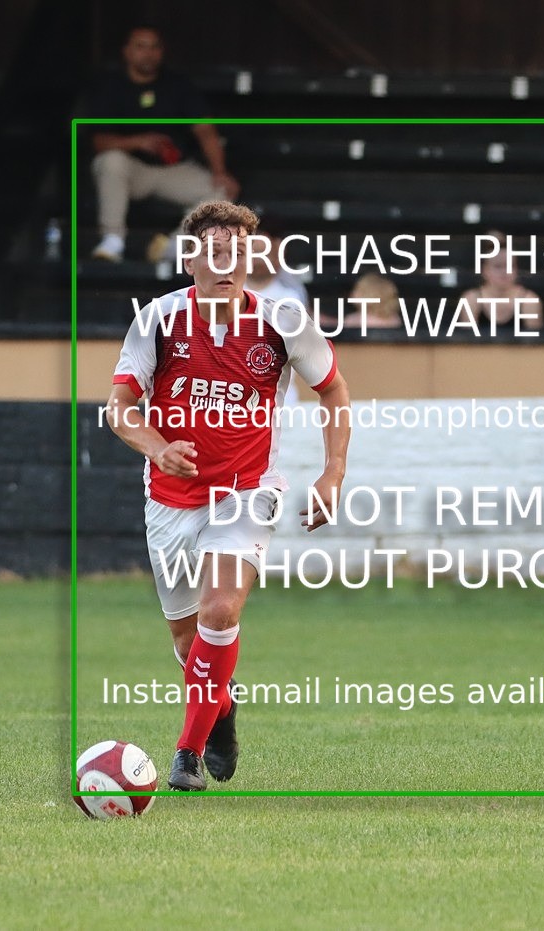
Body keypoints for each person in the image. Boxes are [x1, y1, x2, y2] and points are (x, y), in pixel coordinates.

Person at [105, 200, 350, 791]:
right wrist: (157, 447)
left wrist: (332, 474)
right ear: (191, 259)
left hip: (246, 490)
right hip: (169, 498)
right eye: (214, 252)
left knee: (221, 611)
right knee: (188, 642)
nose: (227, 262)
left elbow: (335, 393)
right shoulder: (158, 321)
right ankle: (222, 710)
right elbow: (118, 409)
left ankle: (185, 753)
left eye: (238, 252)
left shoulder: (283, 320)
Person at [86, 25, 240, 263]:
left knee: (222, 192)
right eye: (140, 47)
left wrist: (220, 172)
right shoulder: (110, 86)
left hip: (173, 169)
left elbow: (206, 131)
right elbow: (99, 142)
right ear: (127, 52)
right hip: (133, 170)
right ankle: (113, 240)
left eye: (154, 47)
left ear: (162, 51)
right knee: (109, 161)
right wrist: (137, 142)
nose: (148, 53)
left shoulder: (178, 85)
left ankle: (173, 247)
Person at [460, 231, 542, 332]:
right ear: (485, 270)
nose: (505, 272)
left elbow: (536, 345)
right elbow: (466, 344)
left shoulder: (529, 301)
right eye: (498, 267)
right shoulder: (471, 299)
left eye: (510, 266)